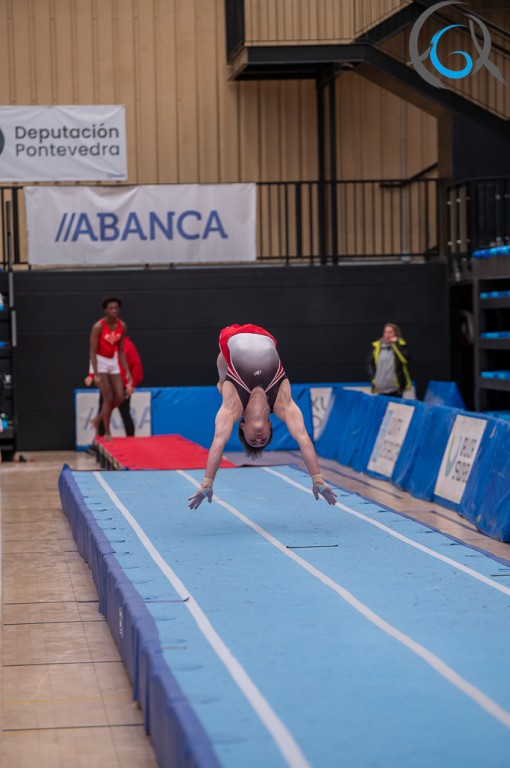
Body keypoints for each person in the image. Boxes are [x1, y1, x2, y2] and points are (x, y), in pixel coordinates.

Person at [188, 323, 337, 509]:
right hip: (266, 337)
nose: (258, 438)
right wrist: (317, 479)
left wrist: (207, 483)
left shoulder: (232, 408)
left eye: (253, 440)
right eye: (263, 440)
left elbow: (218, 442)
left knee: (223, 365)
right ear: (270, 425)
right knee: (224, 368)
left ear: (242, 426)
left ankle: (220, 379)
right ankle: (221, 378)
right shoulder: (283, 404)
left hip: (231, 338)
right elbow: (303, 439)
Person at [89, 297, 132, 440]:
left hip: (113, 360)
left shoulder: (122, 326)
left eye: (116, 308)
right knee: (108, 397)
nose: (114, 311)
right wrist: (95, 373)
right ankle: (107, 431)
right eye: (111, 308)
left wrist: (127, 371)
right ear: (105, 310)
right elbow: (92, 352)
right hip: (100, 361)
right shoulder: (98, 326)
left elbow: (121, 351)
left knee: (120, 396)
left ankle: (97, 419)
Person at [85, 335, 143, 437]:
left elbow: (136, 365)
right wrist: (91, 375)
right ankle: (101, 440)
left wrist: (132, 384)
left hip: (122, 386)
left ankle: (131, 440)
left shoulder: (128, 346)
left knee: (125, 414)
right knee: (104, 411)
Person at [367, 323, 411, 398]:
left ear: (395, 333)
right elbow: (370, 363)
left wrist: (395, 344)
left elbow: (405, 359)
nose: (387, 334)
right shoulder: (377, 346)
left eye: (390, 332)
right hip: (381, 387)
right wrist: (373, 379)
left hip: (396, 388)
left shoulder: (401, 344)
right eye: (385, 332)